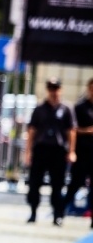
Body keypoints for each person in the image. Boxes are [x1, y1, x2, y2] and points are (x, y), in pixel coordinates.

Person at [25, 78, 76, 226]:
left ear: (60, 89)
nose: (54, 92)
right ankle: (33, 211)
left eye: (56, 88)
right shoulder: (40, 108)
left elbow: (71, 131)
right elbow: (32, 131)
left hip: (58, 150)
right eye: (51, 89)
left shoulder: (66, 109)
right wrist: (28, 152)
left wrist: (71, 151)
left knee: (58, 184)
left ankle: (57, 215)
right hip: (41, 149)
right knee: (35, 183)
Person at [62, 77, 93, 228]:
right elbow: (73, 129)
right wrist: (87, 131)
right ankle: (60, 212)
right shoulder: (80, 108)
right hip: (82, 153)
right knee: (75, 184)